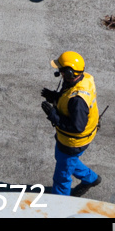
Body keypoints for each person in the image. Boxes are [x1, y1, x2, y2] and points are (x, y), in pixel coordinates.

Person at [41, 50, 101, 197]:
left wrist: (53, 115)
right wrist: (55, 97)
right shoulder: (82, 79)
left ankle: (59, 207)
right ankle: (91, 179)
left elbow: (76, 127)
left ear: (69, 73)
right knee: (65, 160)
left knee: (61, 178)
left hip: (73, 142)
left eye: (61, 71)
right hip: (70, 141)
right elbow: (67, 98)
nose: (59, 73)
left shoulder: (78, 100)